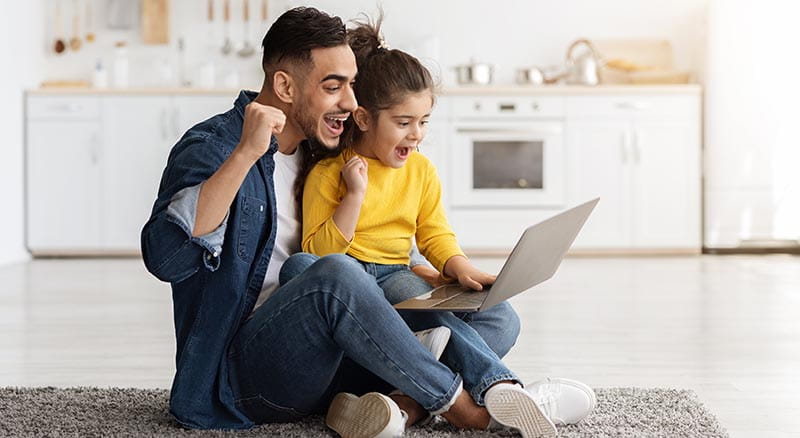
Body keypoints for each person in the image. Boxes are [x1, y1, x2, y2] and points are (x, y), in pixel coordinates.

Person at [140, 7, 586, 438]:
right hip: (245, 377)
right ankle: (470, 410)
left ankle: (395, 407)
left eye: (352, 85)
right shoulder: (215, 147)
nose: (351, 103)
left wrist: (428, 272)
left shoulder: (324, 147)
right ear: (285, 86)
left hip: (335, 356)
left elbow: (384, 228)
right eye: (333, 86)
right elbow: (167, 258)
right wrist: (246, 154)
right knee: (333, 273)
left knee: (496, 317)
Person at [283, 16, 597, 437]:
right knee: (414, 304)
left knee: (502, 319)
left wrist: (459, 267)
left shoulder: (421, 171)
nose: (416, 135)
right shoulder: (329, 175)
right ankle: (499, 386)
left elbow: (434, 233)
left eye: (424, 121)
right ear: (363, 118)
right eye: (403, 122)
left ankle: (404, 403)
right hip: (352, 281)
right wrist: (354, 195)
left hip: (396, 272)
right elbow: (320, 255)